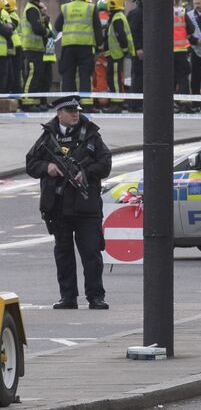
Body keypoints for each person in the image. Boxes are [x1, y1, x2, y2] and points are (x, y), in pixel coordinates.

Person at [24, 95, 113, 309]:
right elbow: (31, 163)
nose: (75, 114)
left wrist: (85, 172)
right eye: (70, 111)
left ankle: (95, 296)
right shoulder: (48, 137)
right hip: (59, 206)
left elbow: (105, 163)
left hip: (86, 206)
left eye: (77, 111)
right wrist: (48, 168)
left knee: (91, 253)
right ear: (59, 114)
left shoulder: (91, 135)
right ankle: (68, 297)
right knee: (63, 253)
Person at [55, 0, 99, 105]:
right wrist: (99, 44)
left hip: (68, 48)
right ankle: (86, 104)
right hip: (86, 47)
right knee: (85, 76)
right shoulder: (91, 8)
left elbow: (57, 26)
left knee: (68, 76)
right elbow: (97, 28)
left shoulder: (66, 7)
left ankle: (69, 104)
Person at [18, 0, 51, 106]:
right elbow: (37, 29)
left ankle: (34, 102)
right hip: (31, 48)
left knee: (36, 75)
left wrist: (45, 21)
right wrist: (47, 31)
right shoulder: (32, 9)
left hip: (36, 48)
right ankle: (27, 102)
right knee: (32, 75)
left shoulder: (35, 9)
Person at [104, 0, 137, 102]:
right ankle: (116, 101)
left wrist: (124, 49)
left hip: (116, 55)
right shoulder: (118, 16)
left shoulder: (117, 18)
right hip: (115, 54)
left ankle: (116, 103)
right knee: (114, 78)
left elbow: (121, 36)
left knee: (114, 79)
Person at [127, 0, 145, 96]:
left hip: (143, 50)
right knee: (138, 76)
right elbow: (133, 33)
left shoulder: (143, 13)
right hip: (139, 51)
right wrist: (138, 48)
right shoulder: (136, 13)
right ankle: (134, 103)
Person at [173, 0, 190, 96]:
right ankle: (185, 102)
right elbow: (191, 29)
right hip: (181, 50)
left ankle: (171, 102)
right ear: (178, 2)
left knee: (170, 77)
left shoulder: (162, 11)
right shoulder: (182, 12)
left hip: (168, 52)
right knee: (183, 77)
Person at [0, 0, 15, 96]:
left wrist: (8, 27)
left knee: (5, 80)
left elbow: (12, 26)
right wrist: (7, 27)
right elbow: (7, 31)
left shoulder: (2, 15)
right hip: (2, 54)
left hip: (3, 53)